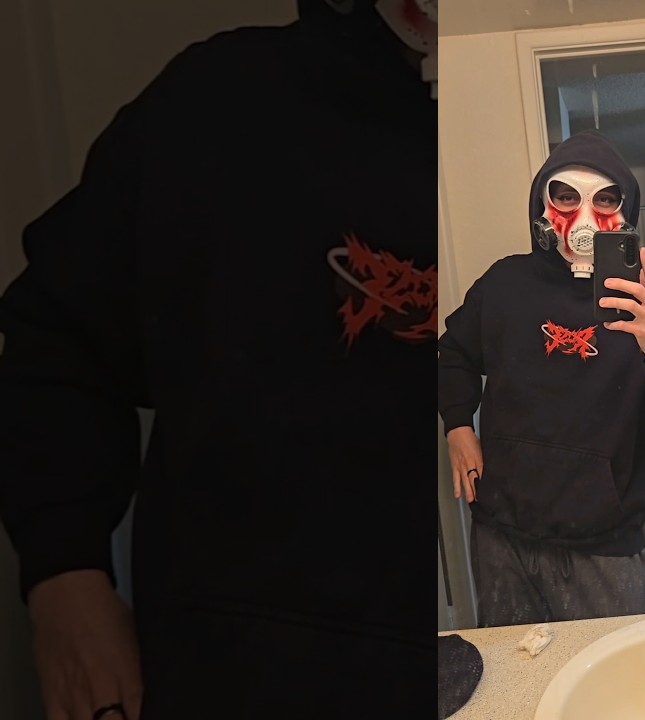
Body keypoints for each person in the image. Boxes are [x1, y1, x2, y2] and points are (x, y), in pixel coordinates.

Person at [0, 1, 436, 718]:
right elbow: (56, 342)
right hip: (239, 674)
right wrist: (64, 578)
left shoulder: (542, 127)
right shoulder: (216, 107)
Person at [437, 130, 645, 627]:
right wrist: (458, 425)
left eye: (605, 198)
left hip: (606, 546)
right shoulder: (505, 283)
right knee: (513, 671)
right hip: (502, 535)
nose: (584, 216)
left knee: (619, 671)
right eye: (566, 196)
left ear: (626, 208)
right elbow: (452, 353)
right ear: (542, 203)